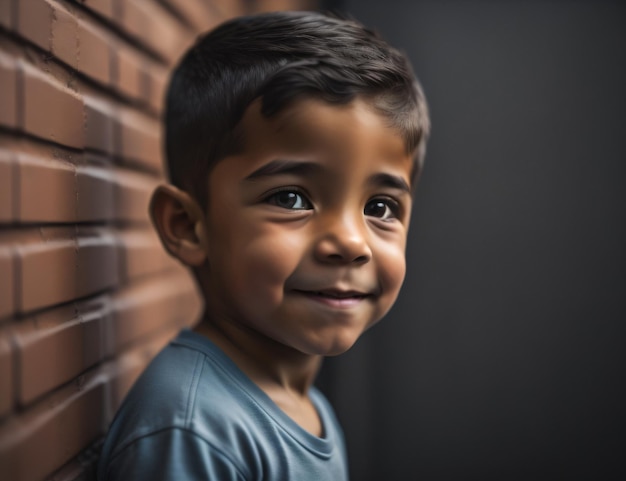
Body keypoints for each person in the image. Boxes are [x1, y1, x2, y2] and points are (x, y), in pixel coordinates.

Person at [97, 10, 430, 480]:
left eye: (379, 207)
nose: (352, 243)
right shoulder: (194, 433)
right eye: (291, 198)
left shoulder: (306, 405)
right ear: (188, 226)